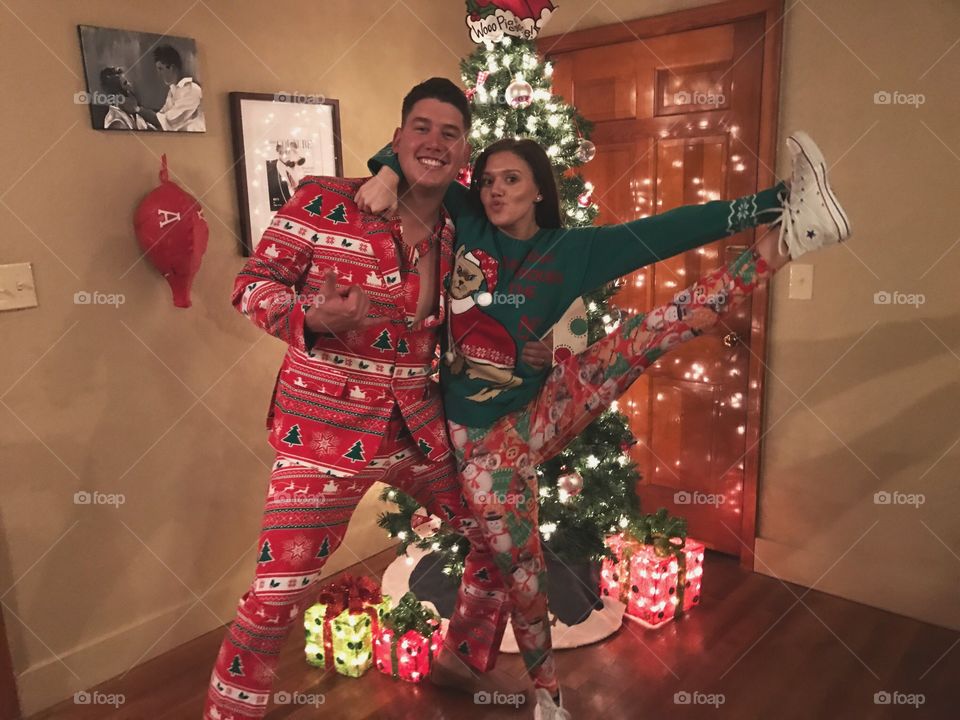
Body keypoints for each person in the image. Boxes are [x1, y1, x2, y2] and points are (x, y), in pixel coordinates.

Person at [357, 127, 851, 718]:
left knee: (656, 329)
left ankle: (790, 235)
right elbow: (426, 162)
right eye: (487, 180)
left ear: (539, 188)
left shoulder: (571, 252)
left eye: (511, 179)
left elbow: (670, 229)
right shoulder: (468, 221)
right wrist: (386, 172)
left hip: (541, 409)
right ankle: (549, 700)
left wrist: (768, 200)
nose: (493, 190)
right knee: (522, 570)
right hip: (487, 448)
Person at [203, 78, 542, 720]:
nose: (434, 141)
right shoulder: (326, 202)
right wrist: (314, 319)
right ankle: (229, 712)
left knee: (501, 540)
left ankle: (460, 663)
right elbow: (251, 284)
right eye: (421, 126)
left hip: (418, 428)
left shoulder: (462, 227)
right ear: (397, 136)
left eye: (450, 132)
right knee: (278, 593)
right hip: (322, 432)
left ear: (464, 152)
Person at [124, 44, 206, 132]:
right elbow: (161, 115)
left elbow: (164, 120)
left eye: (160, 69)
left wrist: (136, 109)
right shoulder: (173, 91)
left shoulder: (192, 90)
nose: (159, 74)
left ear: (172, 68)